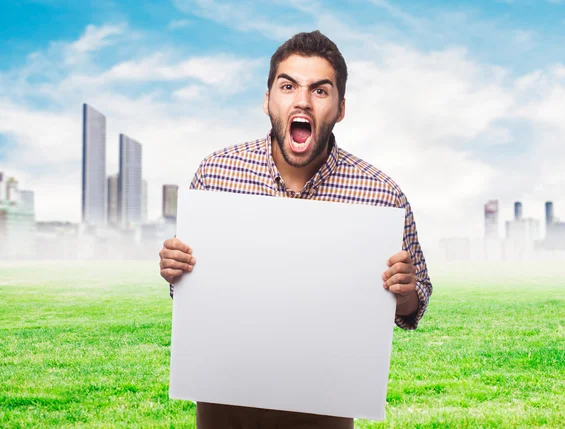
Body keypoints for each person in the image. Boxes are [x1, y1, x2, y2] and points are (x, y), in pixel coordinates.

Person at [159, 30, 432, 429]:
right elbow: (188, 291)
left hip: (325, 407)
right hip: (225, 404)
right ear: (267, 99)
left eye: (320, 91)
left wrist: (405, 292)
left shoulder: (381, 194)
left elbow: (415, 301)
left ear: (340, 109)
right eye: (288, 86)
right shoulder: (216, 173)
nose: (302, 100)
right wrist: (174, 268)